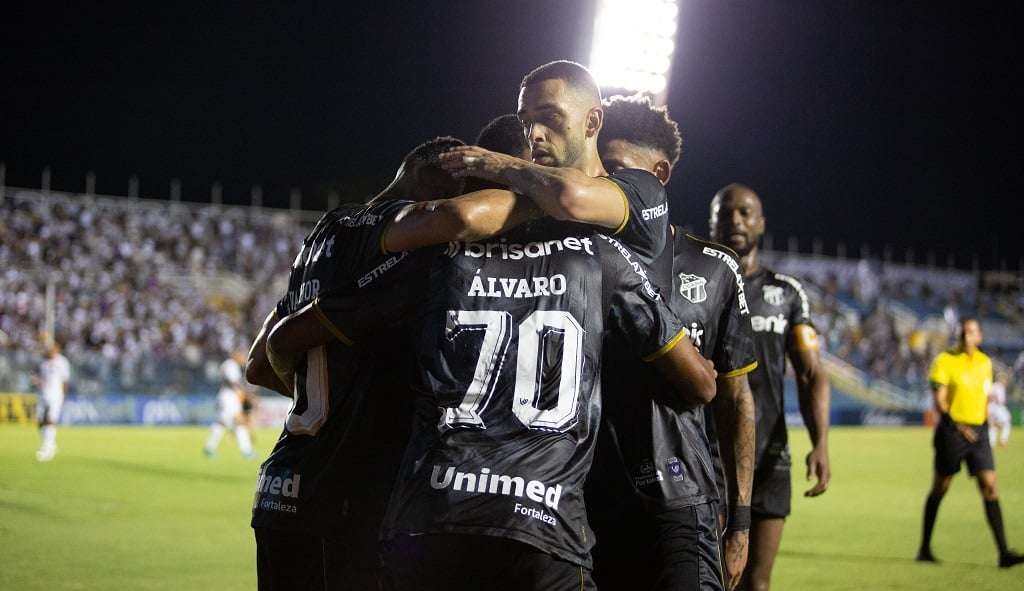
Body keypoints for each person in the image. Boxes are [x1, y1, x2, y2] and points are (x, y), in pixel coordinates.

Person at [245, 137, 544, 591]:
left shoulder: (319, 240)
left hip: (281, 491)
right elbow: (454, 218)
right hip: (344, 496)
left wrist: (336, 391)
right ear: (430, 180)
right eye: (459, 188)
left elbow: (260, 363)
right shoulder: (378, 227)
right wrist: (548, 198)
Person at [591, 94, 758, 590]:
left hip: (682, 507)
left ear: (658, 174)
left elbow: (734, 400)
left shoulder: (715, 267)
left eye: (617, 167)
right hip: (584, 504)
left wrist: (741, 522)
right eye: (600, 167)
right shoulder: (574, 257)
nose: (603, 180)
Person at [709, 184, 831, 591]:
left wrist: (821, 443)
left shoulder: (787, 293)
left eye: (745, 213)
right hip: (708, 456)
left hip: (769, 458)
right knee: (708, 578)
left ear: (761, 223)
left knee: (756, 583)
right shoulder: (694, 287)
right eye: (725, 213)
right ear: (711, 222)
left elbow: (812, 373)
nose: (736, 221)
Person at [917, 319, 1023, 568]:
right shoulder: (945, 361)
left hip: (979, 433)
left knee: (990, 485)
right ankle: (924, 548)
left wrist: (986, 423)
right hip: (952, 432)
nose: (967, 335)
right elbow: (940, 401)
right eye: (964, 332)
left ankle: (1004, 553)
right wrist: (958, 427)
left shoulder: (985, 363)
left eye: (972, 332)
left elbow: (984, 397)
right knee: (940, 488)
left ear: (980, 337)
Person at [204, 350, 254, 459]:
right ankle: (209, 448)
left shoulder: (230, 365)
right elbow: (233, 382)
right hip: (228, 397)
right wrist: (244, 393)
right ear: (235, 355)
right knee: (225, 422)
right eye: (242, 355)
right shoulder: (231, 365)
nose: (243, 358)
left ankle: (247, 450)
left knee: (236, 423)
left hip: (230, 397)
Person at [35, 338, 70, 462]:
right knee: (39, 421)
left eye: (52, 348)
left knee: (50, 419)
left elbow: (65, 380)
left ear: (57, 349)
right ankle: (51, 444)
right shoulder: (43, 363)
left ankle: (47, 447)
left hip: (56, 394)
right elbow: (39, 377)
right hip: (43, 394)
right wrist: (37, 381)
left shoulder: (62, 362)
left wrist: (64, 396)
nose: (50, 350)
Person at [988, 370, 1011, 448]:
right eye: (1004, 379)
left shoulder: (992, 385)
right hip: (998, 408)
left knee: (992, 425)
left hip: (990, 408)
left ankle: (992, 443)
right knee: (1007, 422)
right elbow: (1000, 400)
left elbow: (988, 396)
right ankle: (1003, 440)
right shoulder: (1000, 386)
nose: (1005, 381)